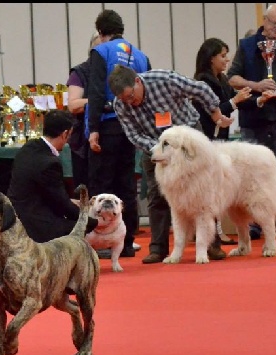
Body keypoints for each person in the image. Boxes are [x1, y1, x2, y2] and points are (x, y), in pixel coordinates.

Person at [107, 64, 234, 264]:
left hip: (189, 141)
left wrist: (216, 114)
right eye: (124, 100)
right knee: (157, 195)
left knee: (205, 194)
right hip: (155, 148)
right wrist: (159, 148)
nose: (130, 102)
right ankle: (158, 248)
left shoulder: (164, 79)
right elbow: (133, 134)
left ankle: (211, 246)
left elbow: (200, 88)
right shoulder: (120, 104)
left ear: (138, 81)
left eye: (131, 96)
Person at [227, 3, 276, 240]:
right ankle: (253, 225)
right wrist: (256, 86)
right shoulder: (247, 46)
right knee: (252, 175)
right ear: (265, 20)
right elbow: (232, 78)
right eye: (274, 23)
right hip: (254, 118)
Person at [86, 9, 152, 259]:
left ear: (101, 32)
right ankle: (125, 242)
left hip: (108, 124)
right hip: (132, 127)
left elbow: (95, 92)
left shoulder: (101, 51)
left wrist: (93, 129)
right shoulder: (141, 56)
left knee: (102, 185)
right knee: (126, 185)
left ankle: (99, 241)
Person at [193, 37, 256, 245]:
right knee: (209, 190)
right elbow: (215, 108)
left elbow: (234, 102)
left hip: (220, 139)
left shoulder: (221, 79)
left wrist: (257, 100)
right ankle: (213, 232)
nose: (227, 60)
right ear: (211, 58)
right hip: (207, 139)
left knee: (216, 188)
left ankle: (216, 230)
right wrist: (235, 101)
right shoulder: (203, 81)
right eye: (222, 55)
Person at [7, 109, 97, 243]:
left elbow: (42, 192)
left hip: (15, 217)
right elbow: (62, 206)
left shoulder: (28, 147)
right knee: (85, 226)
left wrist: (71, 202)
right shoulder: (50, 164)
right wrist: (93, 222)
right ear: (65, 134)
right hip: (36, 226)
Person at [66, 31, 101, 193]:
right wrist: (99, 102)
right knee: (86, 190)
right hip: (83, 142)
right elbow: (73, 105)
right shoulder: (79, 73)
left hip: (111, 137)